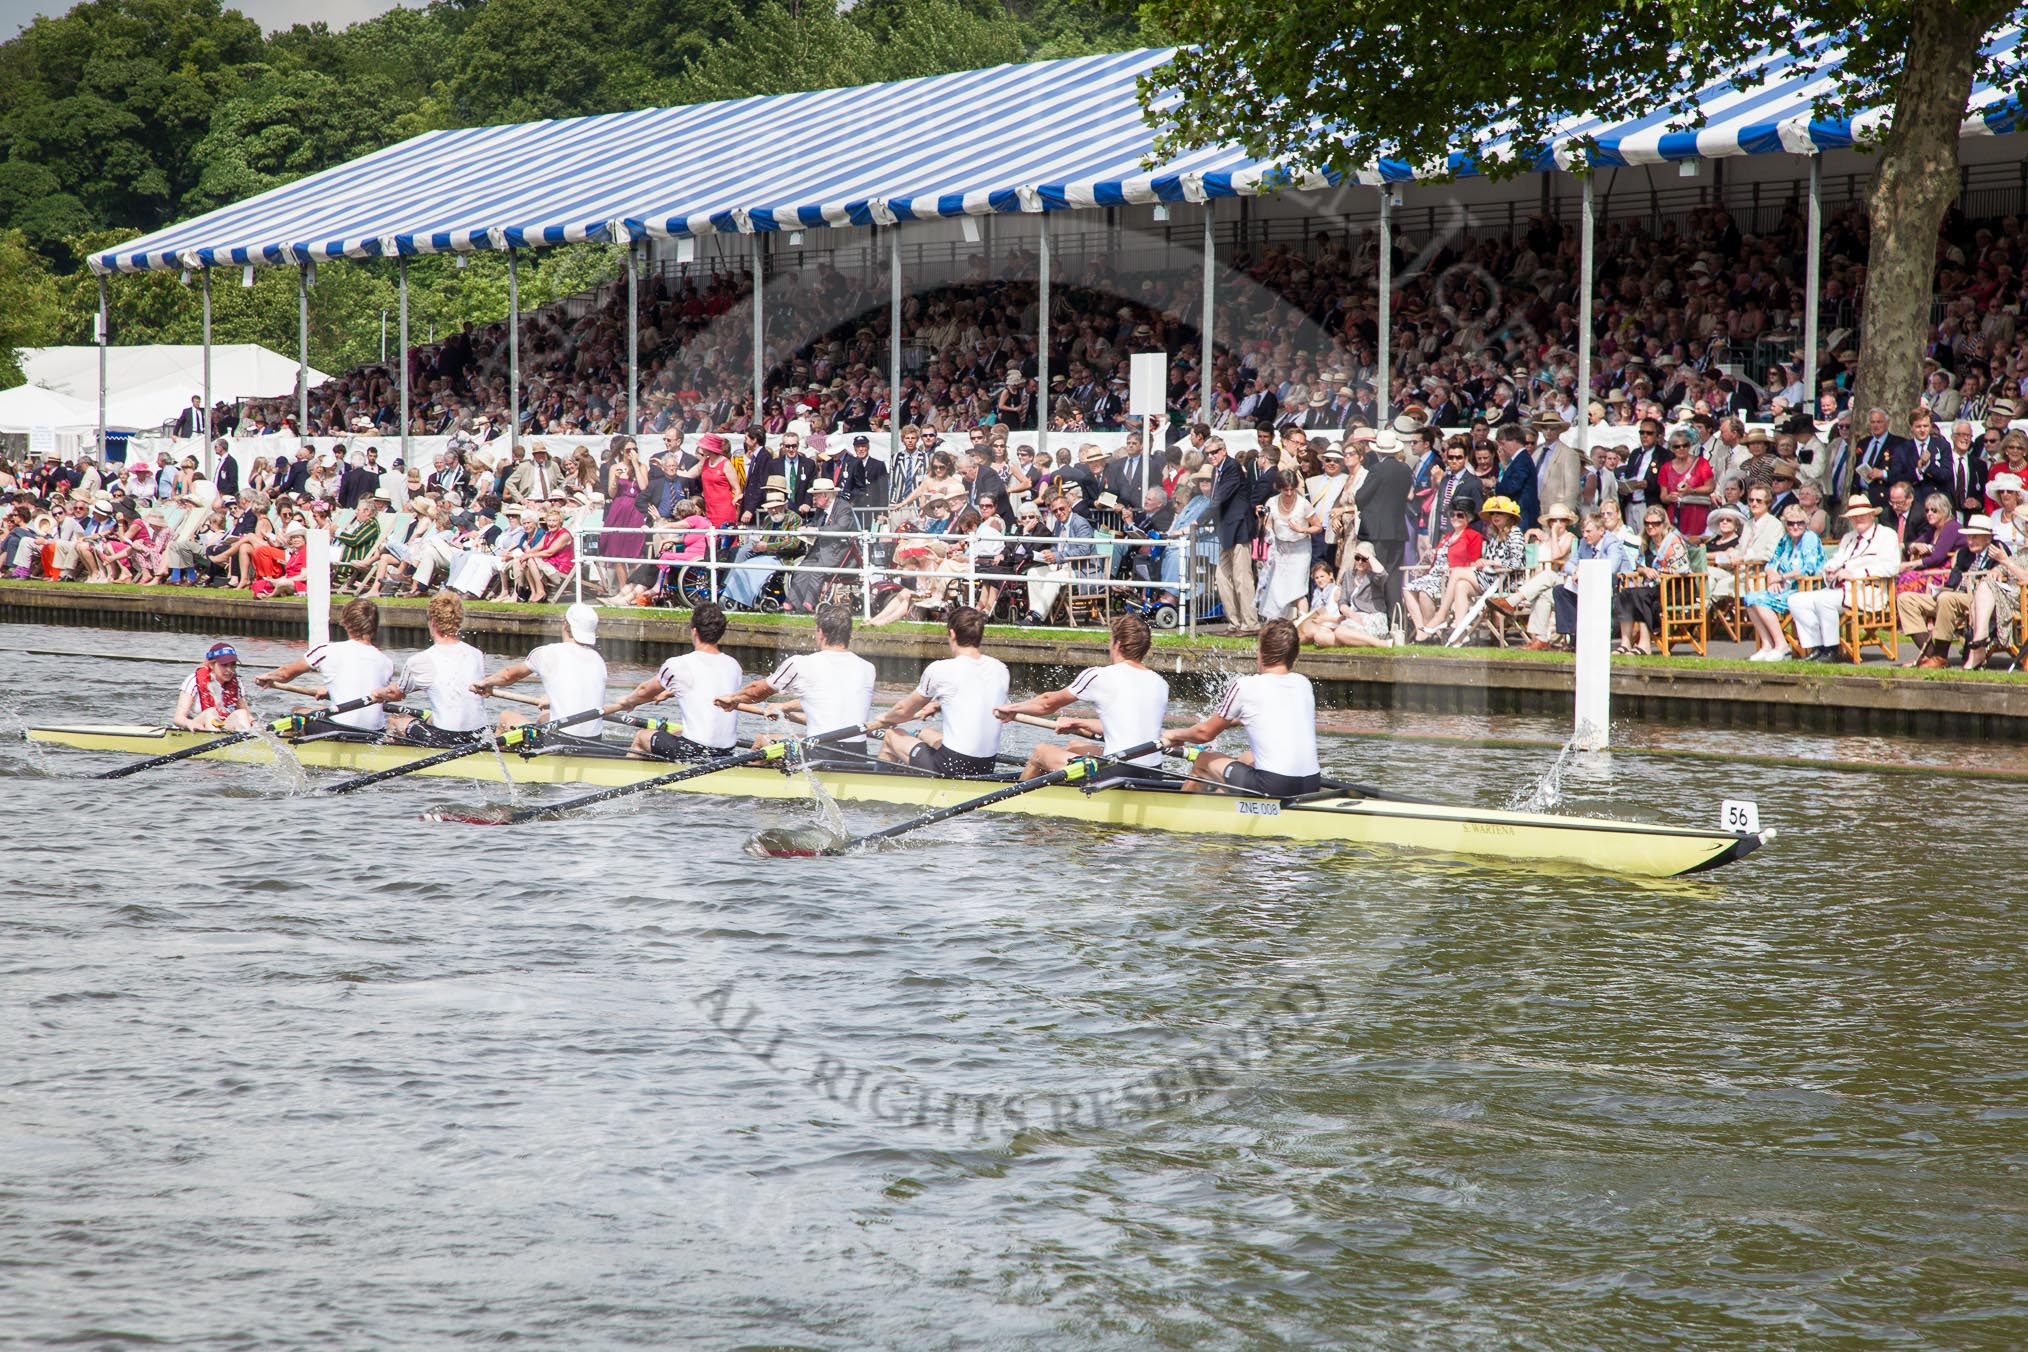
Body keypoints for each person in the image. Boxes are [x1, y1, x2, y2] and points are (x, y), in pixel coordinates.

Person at [993, 613, 1169, 782]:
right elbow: (1128, 726)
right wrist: (1079, 723)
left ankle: (1021, 804)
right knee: (1074, 746)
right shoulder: (1161, 683)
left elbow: (1047, 704)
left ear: (1117, 644)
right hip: (1153, 773)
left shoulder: (1099, 676)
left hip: (1117, 772)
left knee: (1041, 752)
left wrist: (1011, 708)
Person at [1159, 618, 1321, 797]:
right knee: (1246, 758)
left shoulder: (1244, 686)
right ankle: (1225, 807)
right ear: (1295, 654)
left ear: (1260, 652)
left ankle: (1182, 816)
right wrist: (1235, 720)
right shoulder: (1303, 684)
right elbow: (1268, 714)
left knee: (1203, 759)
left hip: (1273, 785)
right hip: (1311, 783)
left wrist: (1174, 734)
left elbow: (1204, 733)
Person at [717, 603, 877, 767]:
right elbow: (829, 699)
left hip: (818, 754)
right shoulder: (868, 668)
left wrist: (733, 698)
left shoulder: (800, 664)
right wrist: (785, 707)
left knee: (761, 740)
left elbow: (757, 692)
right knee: (795, 741)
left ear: (820, 632)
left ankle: (758, 784)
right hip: (857, 755)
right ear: (848, 634)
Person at [866, 605, 1009, 777]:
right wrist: (939, 704)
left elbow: (903, 711)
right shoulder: (1001, 669)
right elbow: (975, 698)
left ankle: (883, 792)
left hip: (950, 766)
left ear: (953, 634)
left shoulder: (940, 669)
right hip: (986, 766)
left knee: (891, 736)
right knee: (927, 733)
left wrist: (883, 719)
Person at [610, 602, 744, 761]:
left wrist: (629, 701)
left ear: (694, 631)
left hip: (693, 750)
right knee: (673, 734)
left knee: (641, 737)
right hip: (727, 751)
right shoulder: (734, 666)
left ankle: (627, 777)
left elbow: (645, 691)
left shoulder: (679, 664)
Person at [472, 602, 611, 743]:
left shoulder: (550, 652)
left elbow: (509, 675)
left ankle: (504, 762)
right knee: (544, 717)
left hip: (558, 740)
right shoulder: (598, 660)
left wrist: (486, 682)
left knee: (505, 717)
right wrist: (553, 699)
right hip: (594, 741)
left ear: (565, 625)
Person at [255, 598, 394, 735]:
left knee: (298, 712)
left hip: (341, 729)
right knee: (321, 709)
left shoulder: (326, 651)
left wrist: (267, 676)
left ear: (345, 622)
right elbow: (365, 689)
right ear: (375, 626)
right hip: (375, 733)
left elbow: (285, 674)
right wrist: (330, 691)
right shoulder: (387, 662)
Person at [1788, 495, 1903, 661]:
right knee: (1796, 600)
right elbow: (1836, 560)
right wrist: (1830, 570)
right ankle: (1816, 646)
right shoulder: (1849, 537)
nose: (1857, 519)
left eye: (1862, 515)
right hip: (1840, 590)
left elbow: (1892, 567)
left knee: (1823, 600)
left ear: (1872, 515)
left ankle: (1831, 649)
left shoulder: (1886, 535)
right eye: (1853, 516)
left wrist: (1854, 575)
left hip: (1867, 592)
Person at [373, 592, 489, 747]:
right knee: (431, 718)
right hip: (478, 735)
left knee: (396, 721)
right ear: (458, 622)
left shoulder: (420, 660)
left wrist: (378, 693)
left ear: (432, 622)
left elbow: (396, 694)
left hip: (446, 737)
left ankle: (396, 757)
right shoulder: (476, 654)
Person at [1896, 515, 2005, 668]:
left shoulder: (1998, 549)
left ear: (1987, 537)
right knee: (1906, 599)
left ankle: (1940, 655)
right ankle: (1930, 655)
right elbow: (1953, 581)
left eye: (1975, 537)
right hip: (1955, 595)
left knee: (1947, 598)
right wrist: (1940, 590)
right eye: (1968, 537)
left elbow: (2006, 568)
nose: (1970, 541)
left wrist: (1998, 569)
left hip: (1981, 599)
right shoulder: (1964, 553)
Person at [1742, 506, 1828, 660]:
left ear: (1806, 523)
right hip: (1787, 588)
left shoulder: (1809, 538)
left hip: (1807, 589)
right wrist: (1772, 576)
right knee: (1750, 598)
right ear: (1785, 524)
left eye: (1800, 523)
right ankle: (1767, 645)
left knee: (1760, 600)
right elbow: (1771, 563)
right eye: (1791, 523)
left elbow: (1807, 570)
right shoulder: (1786, 539)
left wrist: (1781, 578)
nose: (1795, 527)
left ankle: (1781, 645)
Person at [1611, 507, 1692, 654]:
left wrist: (1660, 572)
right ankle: (1626, 643)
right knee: (1625, 594)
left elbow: (1683, 568)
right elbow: (1639, 566)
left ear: (1664, 523)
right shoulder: (1645, 542)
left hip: (1676, 587)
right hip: (1654, 587)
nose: (1650, 526)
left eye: (1655, 523)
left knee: (1641, 596)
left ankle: (1645, 644)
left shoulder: (1674, 541)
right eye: (1647, 523)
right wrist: (1645, 570)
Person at [1206, 436, 1261, 632]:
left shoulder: (1231, 467)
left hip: (1239, 529)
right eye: (1208, 454)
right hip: (1225, 531)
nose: (1211, 456)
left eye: (1214, 452)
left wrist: (1199, 519)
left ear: (1223, 450)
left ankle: (1250, 624)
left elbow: (1220, 498)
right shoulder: (1216, 471)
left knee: (1242, 578)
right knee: (1222, 578)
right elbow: (1216, 499)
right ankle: (1234, 622)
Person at [1260, 468, 1323, 618]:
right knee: (1277, 587)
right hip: (1280, 549)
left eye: (1291, 489)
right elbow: (1268, 525)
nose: (1288, 493)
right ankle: (1278, 622)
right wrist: (1269, 536)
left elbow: (1318, 527)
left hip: (1300, 549)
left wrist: (1302, 530)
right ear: (1279, 488)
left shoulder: (1303, 504)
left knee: (1298, 588)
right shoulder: (1272, 502)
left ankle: (1303, 622)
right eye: (1285, 490)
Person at [1303, 546, 1392, 648]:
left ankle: (1379, 643)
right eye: (1357, 558)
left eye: (1364, 559)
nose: (1360, 562)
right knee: (1320, 637)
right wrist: (1350, 613)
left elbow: (1383, 574)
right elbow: (1342, 601)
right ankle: (1355, 641)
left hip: (1372, 617)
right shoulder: (1349, 575)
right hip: (1352, 618)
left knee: (1340, 632)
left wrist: (1369, 556)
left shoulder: (1374, 576)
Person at [173, 641, 254, 732]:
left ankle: (247, 743)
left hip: (222, 727)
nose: (230, 670)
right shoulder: (193, 680)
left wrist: (258, 728)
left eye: (233, 665)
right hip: (195, 729)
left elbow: (249, 717)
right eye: (224, 665)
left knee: (242, 713)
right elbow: (178, 719)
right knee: (210, 713)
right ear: (211, 664)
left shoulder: (237, 683)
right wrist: (189, 723)